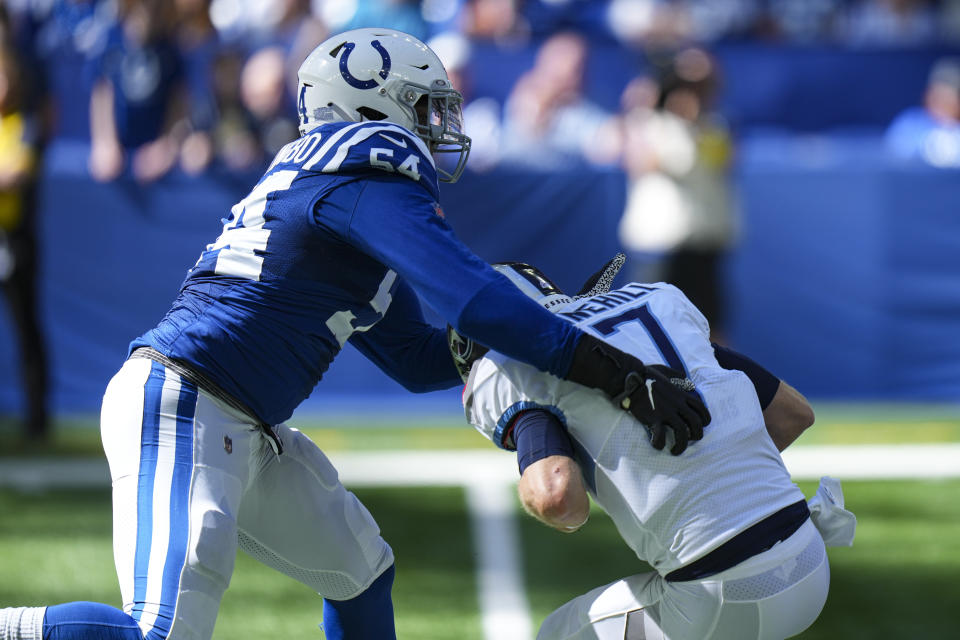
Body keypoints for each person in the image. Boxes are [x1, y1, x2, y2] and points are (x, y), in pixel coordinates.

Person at [0, 28, 708, 640]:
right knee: (161, 630)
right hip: (187, 401)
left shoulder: (335, 189)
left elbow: (416, 355)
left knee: (359, 568)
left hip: (242, 418)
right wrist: (612, 369)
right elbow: (473, 301)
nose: (441, 127)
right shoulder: (361, 169)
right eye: (428, 108)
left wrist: (496, 342)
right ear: (374, 104)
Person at [462, 259, 857, 640]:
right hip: (808, 560)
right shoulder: (659, 303)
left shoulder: (515, 369)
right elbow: (793, 414)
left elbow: (557, 498)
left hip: (718, 594)